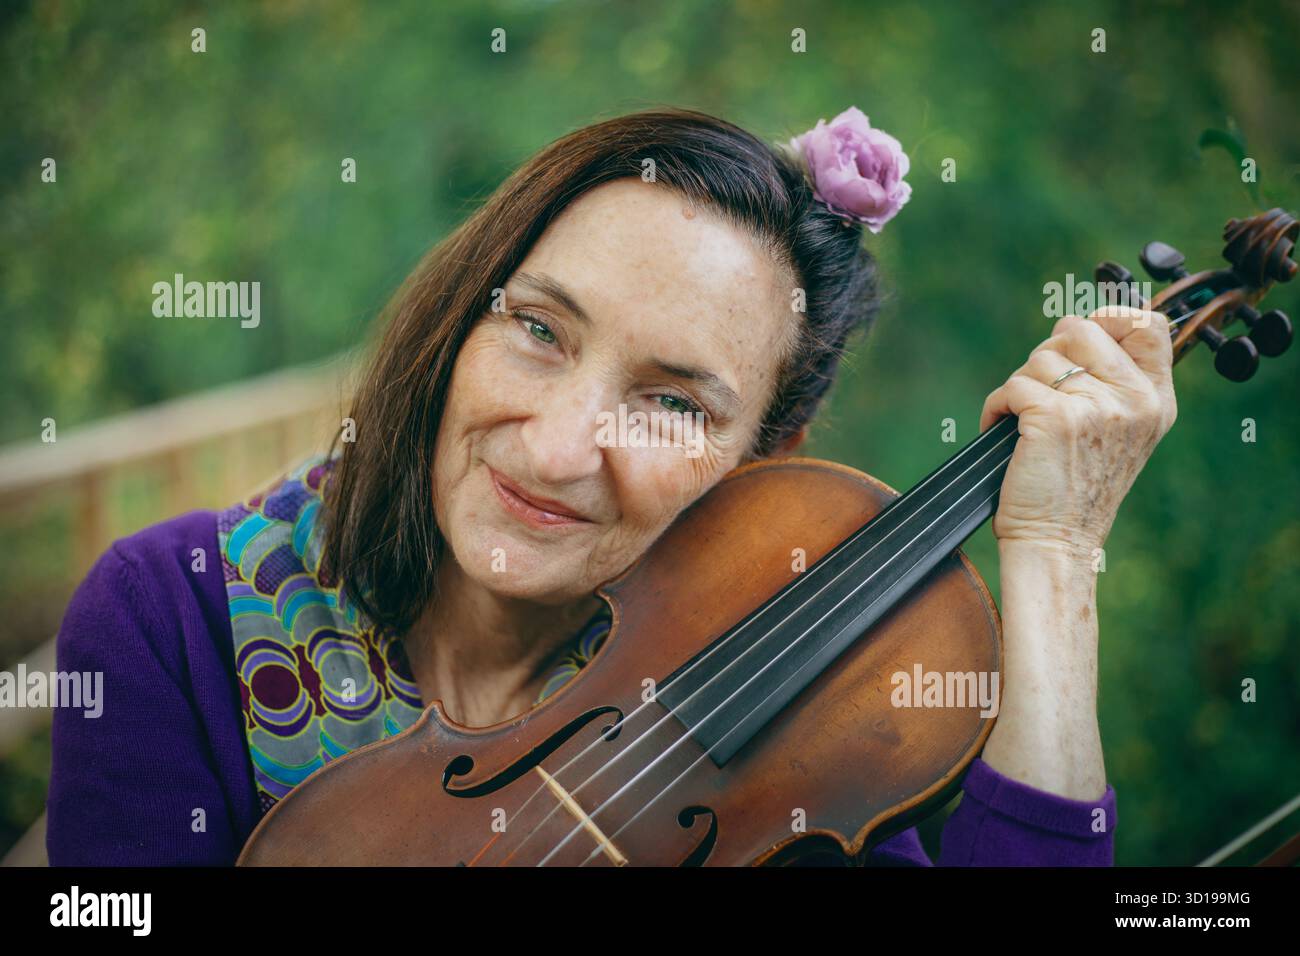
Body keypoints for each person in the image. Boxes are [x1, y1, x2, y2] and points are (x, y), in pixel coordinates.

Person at [46, 106, 1176, 866]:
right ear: (461, 319)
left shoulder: (795, 711)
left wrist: (1054, 553)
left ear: (761, 457)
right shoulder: (172, 616)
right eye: (537, 329)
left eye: (674, 403)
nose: (555, 447)